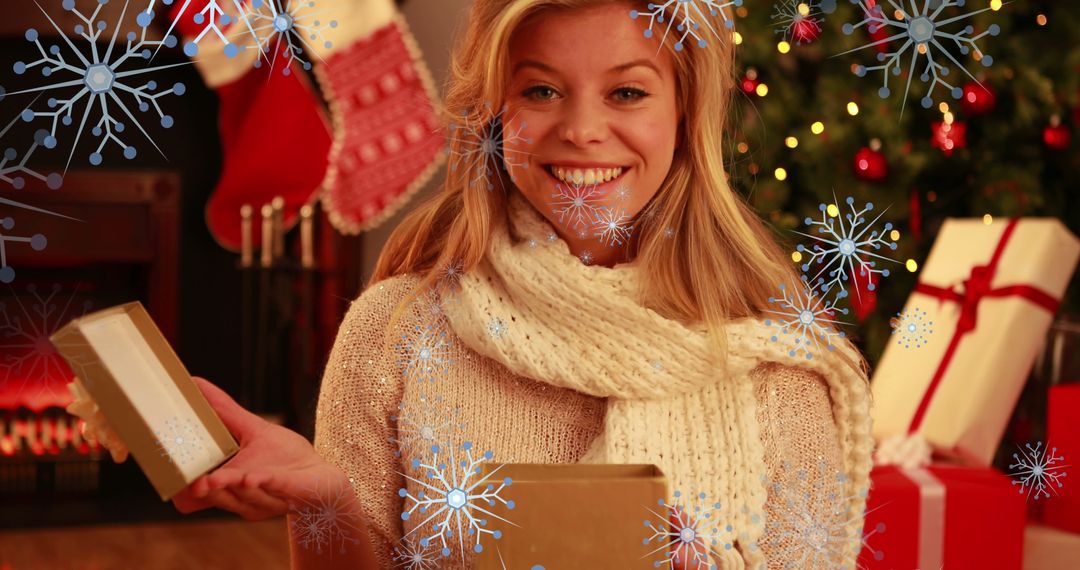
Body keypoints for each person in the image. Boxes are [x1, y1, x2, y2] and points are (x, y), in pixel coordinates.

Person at [70, 1, 874, 568]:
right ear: (494, 113)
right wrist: (323, 500)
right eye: (540, 90)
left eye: (627, 91)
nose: (582, 128)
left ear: (684, 113)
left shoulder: (782, 370)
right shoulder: (395, 329)